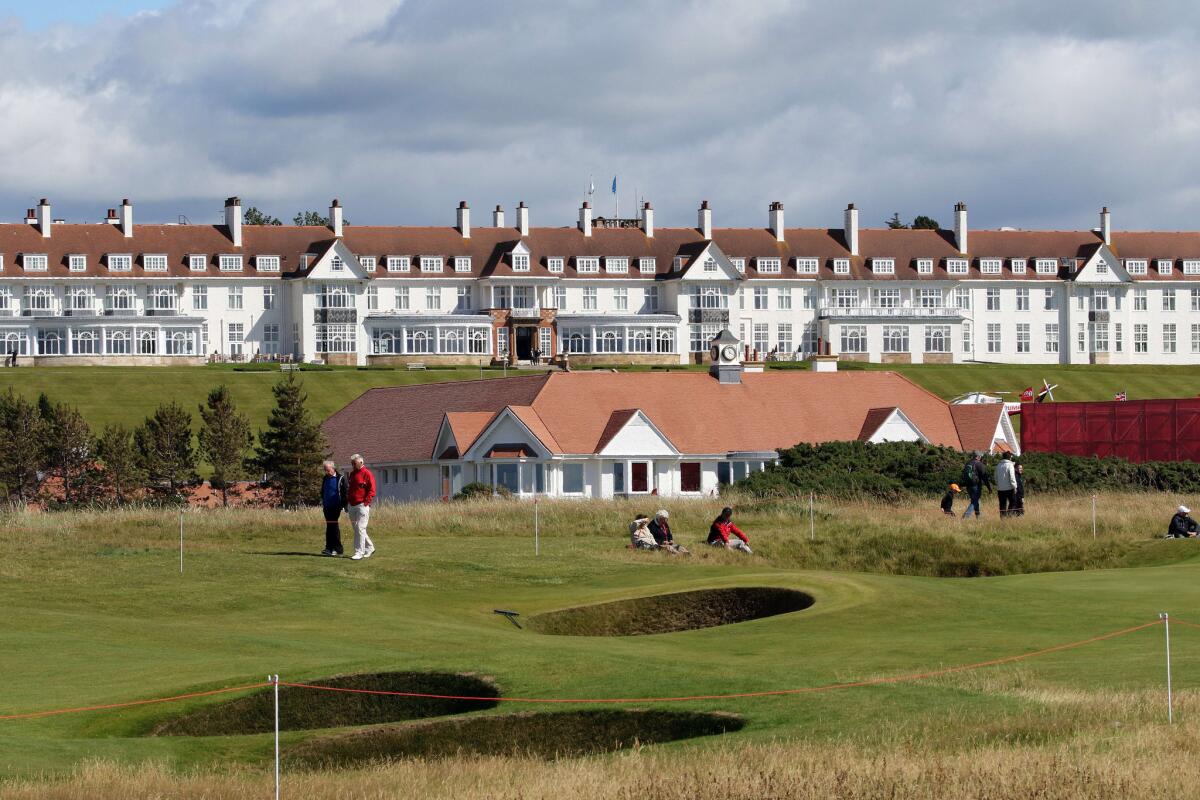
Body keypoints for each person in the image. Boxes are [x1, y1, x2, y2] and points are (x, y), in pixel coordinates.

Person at [347, 453, 377, 560]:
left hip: (362, 505)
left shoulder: (367, 474)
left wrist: (366, 503)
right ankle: (370, 547)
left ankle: (359, 552)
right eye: (352, 464)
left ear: (361, 462)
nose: (353, 466)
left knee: (360, 528)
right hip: (352, 505)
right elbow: (350, 489)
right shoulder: (352, 474)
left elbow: (372, 490)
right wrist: (348, 502)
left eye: (354, 464)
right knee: (357, 529)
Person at [320, 460, 347, 556]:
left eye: (328, 470)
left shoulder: (340, 478)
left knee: (334, 527)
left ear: (333, 468)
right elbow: (323, 491)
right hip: (327, 506)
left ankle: (338, 549)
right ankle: (329, 548)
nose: (326, 472)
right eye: (325, 470)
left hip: (336, 506)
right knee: (329, 527)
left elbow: (345, 493)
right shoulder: (325, 478)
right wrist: (323, 501)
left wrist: (344, 505)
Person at [960, 454, 989, 519]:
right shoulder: (979, 464)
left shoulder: (968, 463)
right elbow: (985, 477)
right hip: (976, 485)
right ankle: (965, 517)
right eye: (980, 457)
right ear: (978, 457)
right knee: (975, 501)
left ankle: (978, 516)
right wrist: (989, 488)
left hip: (968, 485)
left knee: (976, 500)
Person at [995, 452, 1017, 517]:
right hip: (1009, 488)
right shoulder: (1010, 465)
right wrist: (1014, 487)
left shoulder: (998, 465)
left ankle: (1003, 519)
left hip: (1000, 489)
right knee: (1013, 502)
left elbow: (995, 477)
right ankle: (1009, 516)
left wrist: (998, 485)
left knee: (1002, 505)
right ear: (1009, 458)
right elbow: (1012, 477)